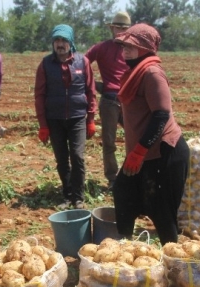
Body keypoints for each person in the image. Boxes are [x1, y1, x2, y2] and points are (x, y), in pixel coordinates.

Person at [112, 24, 188, 246]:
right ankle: (125, 248)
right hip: (144, 152)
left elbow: (160, 116)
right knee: (124, 193)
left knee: (162, 211)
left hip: (164, 152)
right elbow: (137, 113)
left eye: (130, 44)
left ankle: (171, 264)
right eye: (124, 44)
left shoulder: (152, 72)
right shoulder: (135, 73)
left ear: (144, 47)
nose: (124, 48)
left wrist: (138, 151)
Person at [34, 24, 97, 210]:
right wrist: (43, 124)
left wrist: (91, 118)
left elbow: (91, 91)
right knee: (62, 158)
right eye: (57, 41)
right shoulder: (45, 64)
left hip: (78, 117)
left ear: (70, 42)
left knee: (77, 156)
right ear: (53, 43)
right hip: (55, 119)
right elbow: (39, 95)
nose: (60, 44)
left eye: (64, 40)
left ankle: (78, 197)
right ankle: (67, 195)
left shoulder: (82, 61)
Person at [85, 11, 131, 190]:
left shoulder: (132, 49)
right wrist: (93, 84)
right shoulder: (102, 48)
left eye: (124, 28)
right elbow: (83, 63)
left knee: (137, 138)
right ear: (112, 28)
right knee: (109, 142)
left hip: (130, 100)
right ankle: (112, 178)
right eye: (117, 27)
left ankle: (132, 174)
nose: (120, 31)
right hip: (110, 100)